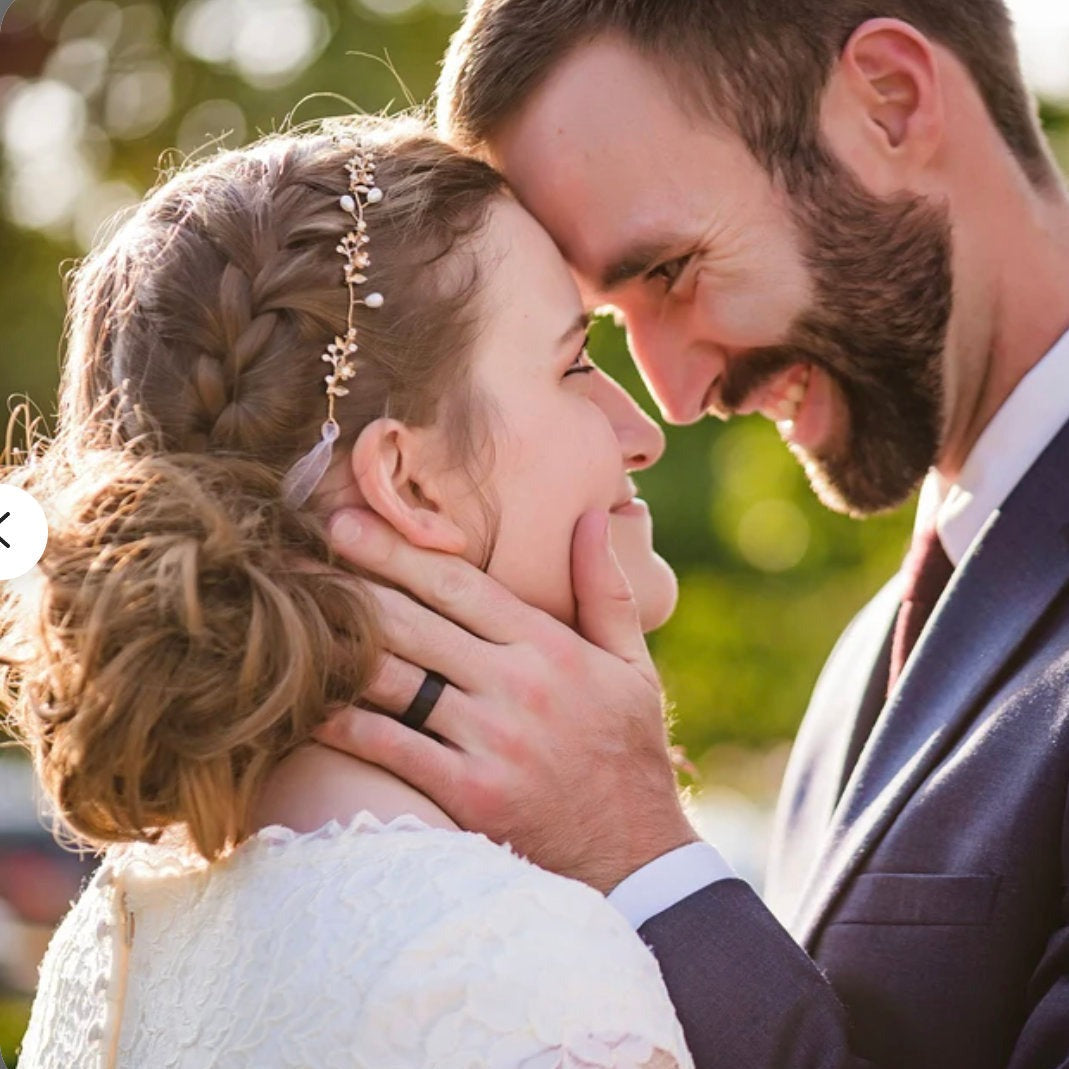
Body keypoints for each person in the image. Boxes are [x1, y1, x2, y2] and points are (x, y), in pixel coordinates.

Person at [312, 2, 1069, 1067]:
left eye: (668, 270)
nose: (670, 396)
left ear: (891, 101)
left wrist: (634, 848)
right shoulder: (869, 659)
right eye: (604, 330)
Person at [2, 115, 693, 1068]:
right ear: (407, 484)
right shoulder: (513, 965)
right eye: (573, 364)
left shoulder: (113, 938)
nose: (642, 431)